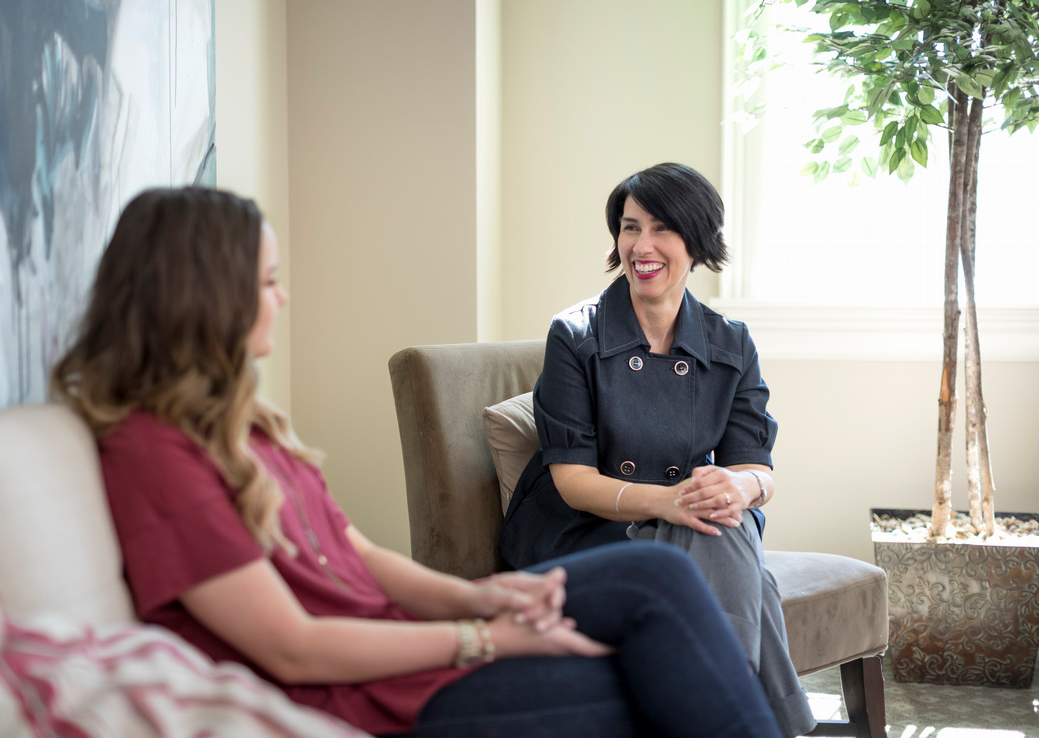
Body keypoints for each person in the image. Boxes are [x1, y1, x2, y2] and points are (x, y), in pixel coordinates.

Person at [50, 186, 782, 738]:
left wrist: (481, 598)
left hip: (401, 639)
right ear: (202, 297)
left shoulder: (244, 428)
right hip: (369, 690)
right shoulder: (156, 453)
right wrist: (489, 637)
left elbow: (355, 553)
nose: (283, 297)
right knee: (663, 674)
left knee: (662, 575)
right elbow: (293, 649)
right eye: (266, 280)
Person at [498, 163, 816, 737]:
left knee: (724, 515)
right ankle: (740, 713)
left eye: (661, 228)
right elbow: (571, 480)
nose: (640, 246)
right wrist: (674, 502)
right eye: (629, 227)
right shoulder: (575, 335)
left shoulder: (731, 343)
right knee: (724, 531)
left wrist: (739, 487)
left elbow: (756, 467)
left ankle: (720, 708)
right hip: (585, 532)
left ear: (697, 241)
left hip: (687, 527)